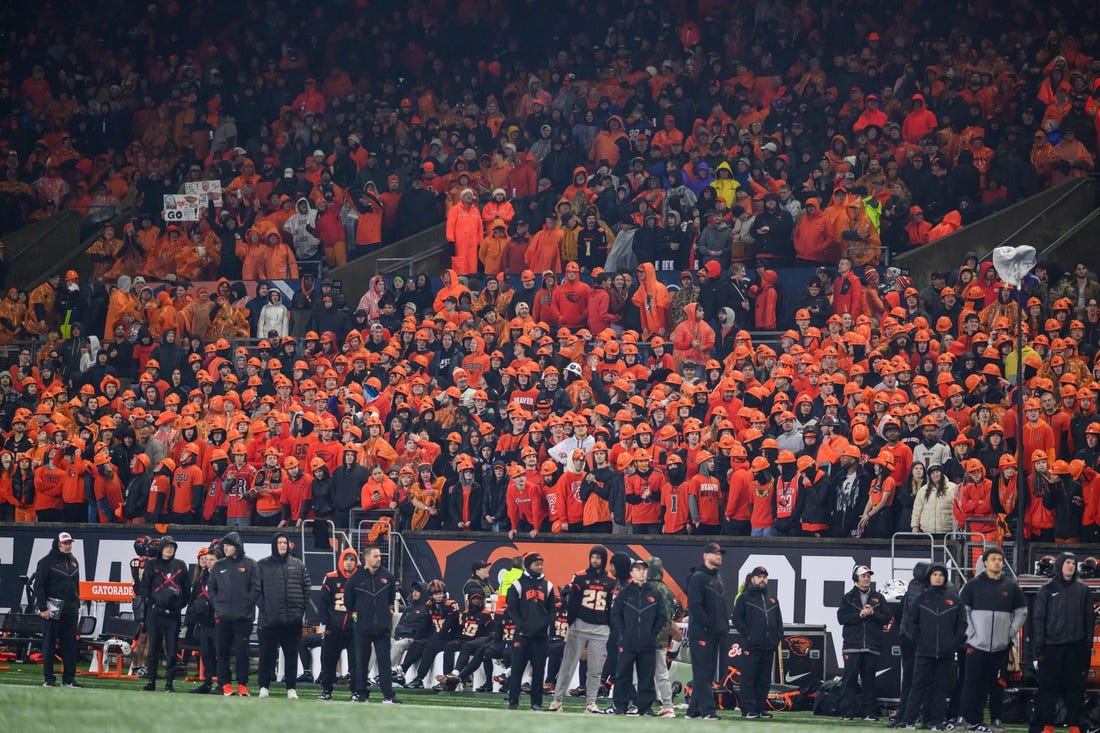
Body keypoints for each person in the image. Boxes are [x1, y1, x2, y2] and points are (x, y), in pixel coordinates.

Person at [958, 547, 1027, 733]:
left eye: (999, 559)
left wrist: (1010, 633)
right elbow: (963, 612)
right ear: (985, 562)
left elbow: (1022, 612)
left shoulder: (1011, 587)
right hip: (976, 646)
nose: (997, 562)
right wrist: (972, 635)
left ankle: (996, 719)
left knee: (997, 686)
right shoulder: (972, 585)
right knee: (972, 684)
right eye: (993, 559)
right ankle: (966, 718)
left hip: (1000, 648)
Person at [1029, 552, 1092, 733]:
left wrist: (1086, 646)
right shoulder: (1046, 590)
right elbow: (1038, 619)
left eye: (1073, 563)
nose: (1071, 566)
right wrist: (1040, 646)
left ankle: (1075, 725)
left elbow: (1089, 620)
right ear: (1060, 565)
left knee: (1075, 690)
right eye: (1067, 563)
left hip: (1076, 648)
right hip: (1051, 648)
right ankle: (1047, 725)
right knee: (1048, 689)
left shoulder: (1083, 590)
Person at [548, 545, 614, 714]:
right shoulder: (580, 577)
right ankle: (557, 700)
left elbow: (610, 608)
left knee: (595, 668)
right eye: (593, 556)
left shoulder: (610, 581)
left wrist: (609, 627)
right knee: (567, 665)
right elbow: (573, 604)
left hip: (600, 628)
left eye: (599, 557)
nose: (595, 560)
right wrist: (570, 626)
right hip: (580, 625)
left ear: (604, 559)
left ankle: (590, 703)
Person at [900, 562, 966, 730]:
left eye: (941, 575)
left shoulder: (955, 599)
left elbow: (962, 625)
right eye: (935, 574)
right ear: (929, 578)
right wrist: (920, 640)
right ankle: (909, 720)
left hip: (946, 654)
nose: (938, 577)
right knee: (917, 687)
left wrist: (953, 643)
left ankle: (936, 721)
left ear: (945, 578)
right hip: (923, 652)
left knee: (941, 689)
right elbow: (910, 623)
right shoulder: (921, 598)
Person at [607, 558, 668, 716]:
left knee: (646, 677)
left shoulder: (655, 594)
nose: (642, 572)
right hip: (627, 641)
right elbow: (615, 614)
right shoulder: (625, 593)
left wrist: (651, 633)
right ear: (632, 573)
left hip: (647, 643)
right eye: (638, 569)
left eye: (644, 569)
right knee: (622, 676)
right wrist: (624, 631)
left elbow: (662, 616)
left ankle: (645, 708)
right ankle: (620, 706)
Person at [256, 532, 310, 699]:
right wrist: (266, 609)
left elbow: (306, 590)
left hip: (292, 621)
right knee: (266, 655)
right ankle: (264, 686)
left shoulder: (298, 565)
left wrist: (299, 610)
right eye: (279, 542)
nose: (282, 545)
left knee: (292, 656)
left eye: (284, 542)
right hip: (269, 621)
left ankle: (291, 688)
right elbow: (256, 591)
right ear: (274, 545)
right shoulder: (262, 565)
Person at [344, 544, 401, 704]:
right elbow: (349, 603)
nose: (379, 558)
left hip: (382, 628)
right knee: (361, 661)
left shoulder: (388, 577)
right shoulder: (355, 579)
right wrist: (361, 616)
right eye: (375, 556)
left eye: (379, 556)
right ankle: (361, 693)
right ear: (366, 558)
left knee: (384, 662)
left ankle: (388, 695)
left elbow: (390, 600)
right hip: (362, 627)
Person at [208, 531, 260, 696]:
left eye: (229, 545)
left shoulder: (251, 564)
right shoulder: (219, 565)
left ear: (237, 547)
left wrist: (245, 608)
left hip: (243, 619)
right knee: (222, 652)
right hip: (222, 618)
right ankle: (225, 685)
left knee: (242, 653)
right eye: (224, 545)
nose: (225, 548)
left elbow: (256, 588)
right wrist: (218, 607)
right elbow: (212, 589)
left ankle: (242, 685)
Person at [837, 564, 890, 721]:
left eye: (869, 576)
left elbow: (887, 618)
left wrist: (872, 613)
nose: (867, 578)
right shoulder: (847, 597)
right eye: (863, 576)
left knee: (869, 681)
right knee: (849, 680)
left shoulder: (878, 598)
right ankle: (847, 711)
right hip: (852, 646)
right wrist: (859, 615)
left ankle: (868, 712)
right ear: (856, 578)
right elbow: (841, 619)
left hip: (872, 647)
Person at [506, 552, 558, 711]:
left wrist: (545, 624)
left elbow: (552, 610)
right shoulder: (517, 585)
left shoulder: (548, 585)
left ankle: (536, 703)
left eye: (541, 564)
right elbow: (512, 610)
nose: (540, 567)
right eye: (537, 564)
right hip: (522, 636)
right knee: (517, 670)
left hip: (540, 637)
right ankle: (513, 702)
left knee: (538, 672)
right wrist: (521, 625)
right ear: (528, 566)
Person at [139, 535, 189, 692]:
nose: (169, 549)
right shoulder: (151, 565)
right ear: (161, 548)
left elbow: (187, 590)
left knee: (172, 650)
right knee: (153, 648)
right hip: (155, 614)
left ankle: (169, 684)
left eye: (172, 547)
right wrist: (151, 604)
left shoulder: (180, 565)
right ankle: (151, 681)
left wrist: (179, 606)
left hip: (173, 615)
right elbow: (144, 587)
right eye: (167, 546)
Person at [732, 565, 782, 719]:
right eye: (759, 576)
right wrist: (748, 635)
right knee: (748, 678)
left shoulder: (772, 599)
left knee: (764, 679)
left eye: (764, 577)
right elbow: (736, 619)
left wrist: (776, 638)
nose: (762, 579)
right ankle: (748, 709)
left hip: (768, 646)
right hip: (751, 646)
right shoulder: (744, 597)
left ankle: (760, 708)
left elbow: (779, 622)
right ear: (752, 578)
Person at [686, 542, 729, 720]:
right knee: (703, 672)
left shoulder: (717, 577)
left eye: (720, 553)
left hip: (714, 632)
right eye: (715, 553)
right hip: (702, 632)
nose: (719, 556)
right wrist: (707, 625)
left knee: (706, 673)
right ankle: (708, 711)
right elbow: (694, 605)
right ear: (705, 556)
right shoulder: (698, 577)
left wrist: (721, 626)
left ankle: (693, 711)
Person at [33, 530, 81, 687]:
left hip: (70, 610)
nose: (68, 546)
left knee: (70, 645)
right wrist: (42, 608)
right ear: (58, 544)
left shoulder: (74, 561)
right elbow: (39, 586)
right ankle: (49, 679)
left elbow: (76, 584)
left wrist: (77, 602)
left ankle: (68, 679)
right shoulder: (45, 562)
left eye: (69, 543)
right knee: (49, 645)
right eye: (65, 543)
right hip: (52, 609)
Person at [317, 548, 359, 700]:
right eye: (347, 559)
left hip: (353, 627)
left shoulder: (360, 578)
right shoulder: (331, 577)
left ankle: (356, 691)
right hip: (334, 625)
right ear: (342, 560)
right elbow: (322, 603)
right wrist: (327, 622)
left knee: (356, 660)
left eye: (352, 559)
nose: (349, 563)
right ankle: (326, 690)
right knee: (328, 659)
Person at [186, 546, 217, 694]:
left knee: (219, 654)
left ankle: (222, 684)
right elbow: (195, 596)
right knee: (206, 653)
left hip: (218, 620)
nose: (209, 562)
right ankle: (207, 682)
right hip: (204, 620)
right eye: (208, 559)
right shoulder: (203, 576)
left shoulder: (223, 575)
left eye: (212, 560)